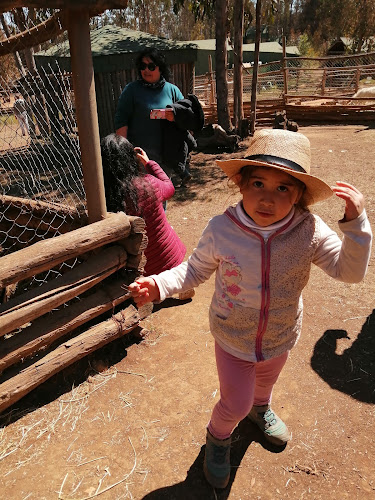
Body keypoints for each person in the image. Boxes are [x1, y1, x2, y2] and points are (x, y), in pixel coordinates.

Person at [128, 129, 372, 489]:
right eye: (258, 182)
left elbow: (349, 272)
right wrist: (160, 285)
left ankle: (261, 409)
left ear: (300, 195)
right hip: (232, 335)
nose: (267, 198)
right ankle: (218, 437)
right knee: (235, 403)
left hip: (281, 333)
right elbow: (194, 270)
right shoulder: (222, 229)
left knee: (265, 384)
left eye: (283, 188)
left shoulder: (310, 230)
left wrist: (357, 226)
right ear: (241, 184)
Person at [100, 133, 186, 276]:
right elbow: (169, 188)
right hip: (170, 260)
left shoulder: (105, 199)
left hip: (139, 271)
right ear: (130, 159)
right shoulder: (148, 184)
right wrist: (149, 163)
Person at [115, 48, 193, 184]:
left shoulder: (172, 90)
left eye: (151, 66)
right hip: (140, 159)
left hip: (167, 158)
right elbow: (121, 123)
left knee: (162, 199)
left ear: (160, 68)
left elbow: (187, 118)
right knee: (143, 200)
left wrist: (174, 117)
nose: (146, 70)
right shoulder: (131, 91)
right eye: (142, 66)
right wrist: (124, 156)